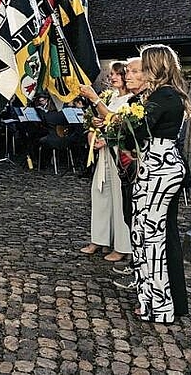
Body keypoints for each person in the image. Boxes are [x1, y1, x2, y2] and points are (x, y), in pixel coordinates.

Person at [128, 45, 189, 323]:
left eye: (144, 65)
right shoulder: (164, 95)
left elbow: (139, 129)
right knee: (143, 233)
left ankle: (160, 306)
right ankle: (149, 298)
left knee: (152, 237)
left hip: (160, 167)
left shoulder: (164, 95)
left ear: (156, 66)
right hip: (155, 164)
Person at [79, 62, 132, 262]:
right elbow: (95, 119)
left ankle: (122, 245)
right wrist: (93, 130)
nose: (113, 77)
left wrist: (107, 138)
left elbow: (117, 122)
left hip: (121, 154)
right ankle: (99, 238)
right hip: (104, 154)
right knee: (100, 192)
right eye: (111, 74)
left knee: (119, 199)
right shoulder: (110, 97)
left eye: (118, 74)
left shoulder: (131, 100)